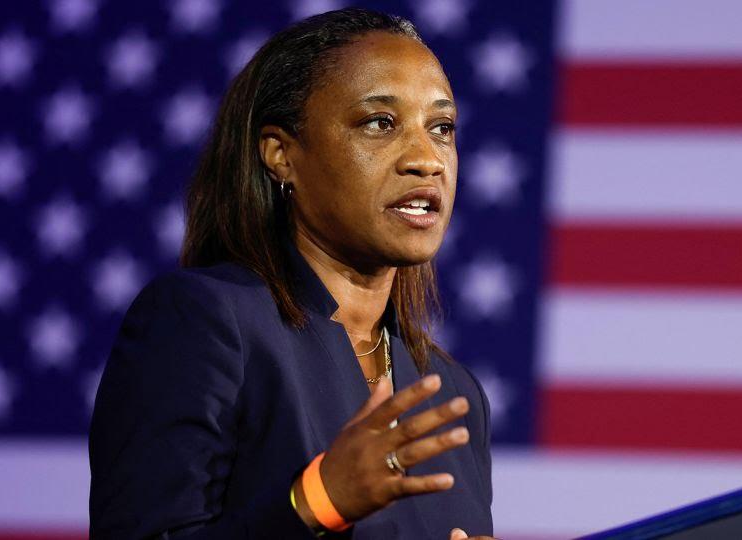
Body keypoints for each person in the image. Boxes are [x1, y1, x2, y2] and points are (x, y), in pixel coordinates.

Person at [88, 8, 495, 540]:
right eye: (380, 123)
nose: (427, 159)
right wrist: (316, 501)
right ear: (281, 154)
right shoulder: (204, 323)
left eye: (441, 128)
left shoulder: (454, 392)